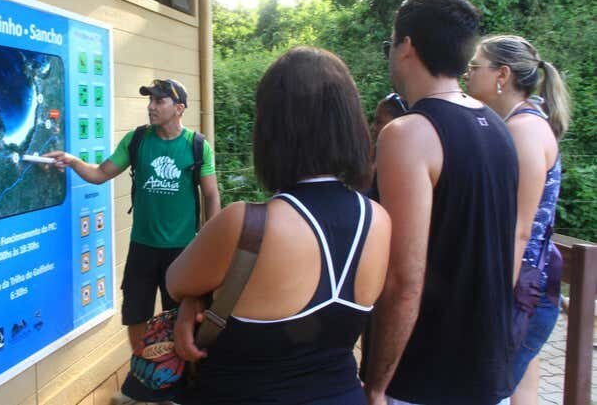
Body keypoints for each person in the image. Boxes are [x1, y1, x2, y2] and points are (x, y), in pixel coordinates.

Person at [167, 46, 391, 404]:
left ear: (272, 130)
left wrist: (193, 299)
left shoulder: (245, 224)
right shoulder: (378, 219)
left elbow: (176, 281)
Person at [363, 0, 519, 405]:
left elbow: (404, 279)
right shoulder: (498, 126)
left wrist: (377, 385)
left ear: (406, 46)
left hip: (425, 376)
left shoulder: (409, 134)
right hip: (489, 373)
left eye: (391, 43)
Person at [46, 78, 221, 404]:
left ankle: (176, 387)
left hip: (182, 251)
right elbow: (100, 174)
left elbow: (211, 195)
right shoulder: (137, 140)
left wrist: (209, 244)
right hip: (142, 247)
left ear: (179, 108)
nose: (151, 107)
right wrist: (72, 161)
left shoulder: (197, 146)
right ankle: (145, 380)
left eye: (159, 101)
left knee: (180, 319)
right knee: (136, 314)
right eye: (150, 100)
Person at [465, 35, 569, 404]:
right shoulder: (516, 124)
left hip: (521, 292)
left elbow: (519, 230)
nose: (467, 74)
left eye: (475, 67)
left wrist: (492, 304)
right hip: (523, 287)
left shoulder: (523, 131)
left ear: (502, 75)